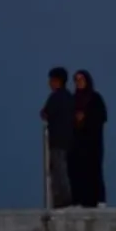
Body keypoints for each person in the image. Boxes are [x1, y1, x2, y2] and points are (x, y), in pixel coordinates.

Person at [71, 69, 108, 207]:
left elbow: (102, 117)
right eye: (76, 80)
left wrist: (86, 118)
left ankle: (99, 200)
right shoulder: (73, 100)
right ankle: (79, 200)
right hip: (77, 143)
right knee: (77, 171)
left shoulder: (95, 98)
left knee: (94, 170)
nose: (78, 83)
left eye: (81, 80)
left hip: (93, 142)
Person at [40, 66, 74, 208]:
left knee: (58, 171)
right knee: (65, 169)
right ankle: (64, 198)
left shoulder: (55, 97)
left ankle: (63, 200)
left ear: (57, 81)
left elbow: (45, 113)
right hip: (70, 140)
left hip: (57, 140)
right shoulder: (70, 97)